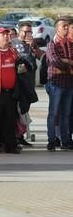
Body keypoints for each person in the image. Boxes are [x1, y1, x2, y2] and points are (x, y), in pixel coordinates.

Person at [45, 18, 73, 151]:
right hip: (56, 83)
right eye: (64, 26)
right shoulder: (51, 44)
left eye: (68, 26)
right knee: (53, 113)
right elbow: (55, 61)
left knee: (65, 114)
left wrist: (66, 61)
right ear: (57, 29)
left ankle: (65, 142)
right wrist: (68, 64)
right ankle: (51, 141)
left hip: (68, 83)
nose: (67, 29)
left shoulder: (70, 44)